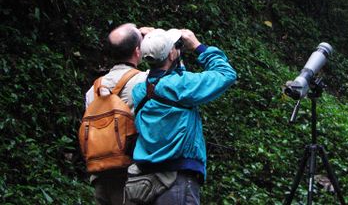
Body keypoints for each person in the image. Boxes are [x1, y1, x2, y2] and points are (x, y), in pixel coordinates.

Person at [131, 28, 237, 205]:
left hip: (143, 180)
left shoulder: (139, 90)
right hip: (176, 180)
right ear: (172, 54)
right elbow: (226, 74)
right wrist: (197, 46)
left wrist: (155, 40)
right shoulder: (181, 86)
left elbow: (169, 78)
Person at [84, 23, 150, 205]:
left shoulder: (94, 89)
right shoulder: (145, 81)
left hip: (101, 172)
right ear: (138, 51)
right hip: (131, 173)